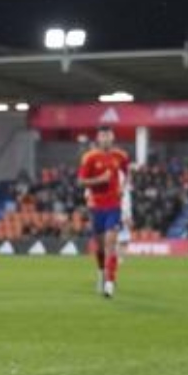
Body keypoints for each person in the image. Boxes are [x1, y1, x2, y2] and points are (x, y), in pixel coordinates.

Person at [77, 127, 131, 297]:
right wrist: (99, 180)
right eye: (103, 135)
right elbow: (81, 182)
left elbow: (127, 173)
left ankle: (109, 282)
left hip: (114, 206)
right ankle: (101, 272)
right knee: (100, 247)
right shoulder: (90, 157)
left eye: (109, 135)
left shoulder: (121, 156)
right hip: (96, 207)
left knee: (110, 244)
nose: (106, 138)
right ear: (98, 138)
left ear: (113, 137)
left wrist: (122, 187)